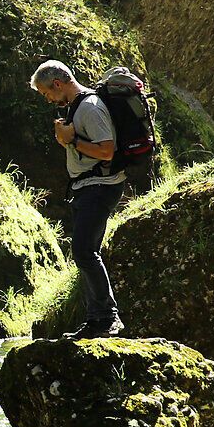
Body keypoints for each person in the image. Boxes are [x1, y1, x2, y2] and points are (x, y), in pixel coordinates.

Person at [31, 59, 125, 338]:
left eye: (47, 93)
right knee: (86, 253)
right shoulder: (76, 107)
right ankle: (97, 320)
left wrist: (70, 141)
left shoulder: (90, 107)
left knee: (84, 252)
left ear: (57, 84)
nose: (48, 99)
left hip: (100, 186)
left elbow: (107, 151)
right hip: (88, 187)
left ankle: (108, 317)